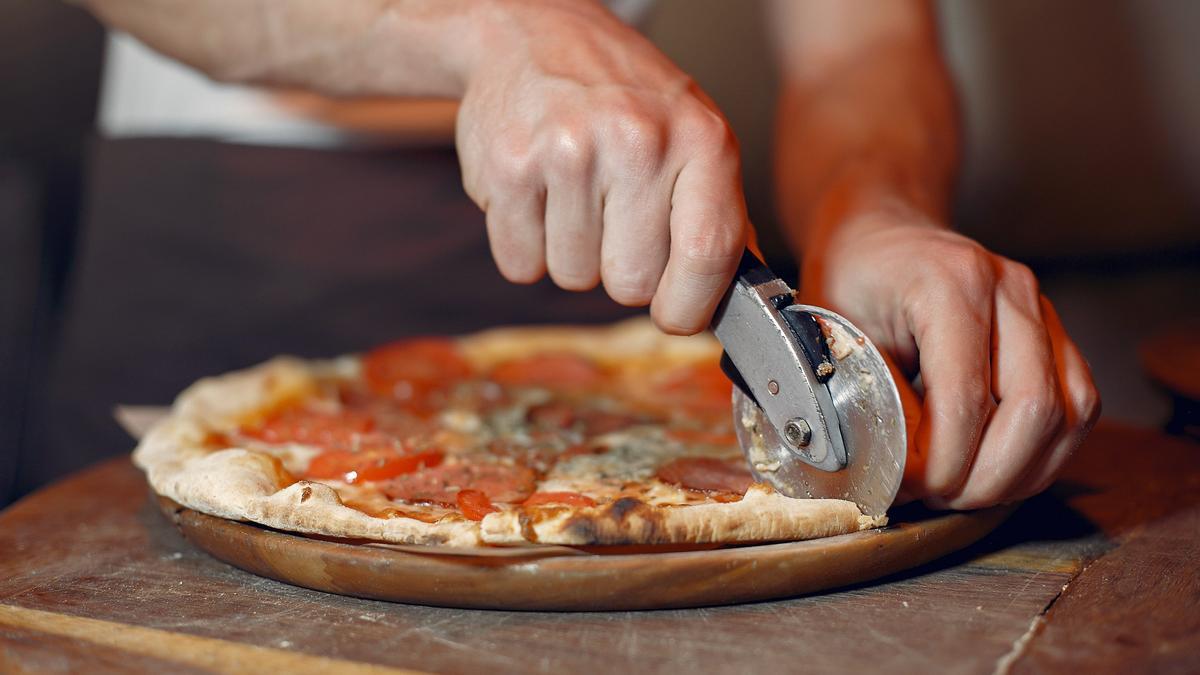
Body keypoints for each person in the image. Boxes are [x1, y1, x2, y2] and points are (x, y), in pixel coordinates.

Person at [74, 0, 1099, 509]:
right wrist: (497, 23)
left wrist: (874, 212)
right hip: (225, 239)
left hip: (610, 261)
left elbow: (861, 46)